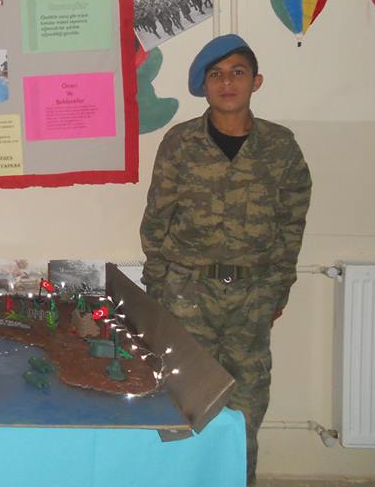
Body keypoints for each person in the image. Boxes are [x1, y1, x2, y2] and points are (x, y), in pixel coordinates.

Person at [139, 34, 311, 486]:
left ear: (256, 81)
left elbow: (292, 224)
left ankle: (237, 478)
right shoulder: (180, 143)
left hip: (252, 296)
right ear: (204, 86)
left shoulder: (281, 147)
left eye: (237, 72)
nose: (227, 83)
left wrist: (278, 289)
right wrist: (158, 291)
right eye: (216, 74)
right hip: (187, 294)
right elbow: (156, 220)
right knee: (181, 401)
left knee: (246, 405)